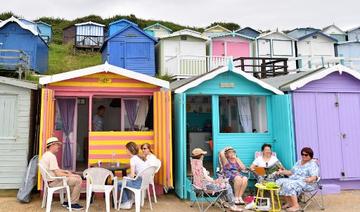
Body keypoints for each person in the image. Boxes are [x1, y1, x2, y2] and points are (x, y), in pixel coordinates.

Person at [39, 137, 83, 210]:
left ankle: (67, 202)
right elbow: (58, 174)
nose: (58, 147)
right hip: (54, 181)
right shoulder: (51, 157)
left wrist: (65, 171)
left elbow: (55, 170)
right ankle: (72, 203)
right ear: (52, 145)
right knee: (78, 180)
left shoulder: (46, 155)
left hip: (51, 180)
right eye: (57, 145)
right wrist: (70, 175)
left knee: (75, 178)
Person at [275, 147, 319, 212]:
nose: (303, 156)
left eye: (306, 155)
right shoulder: (298, 162)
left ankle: (296, 206)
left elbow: (315, 176)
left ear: (310, 155)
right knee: (279, 181)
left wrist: (310, 179)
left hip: (307, 182)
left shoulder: (312, 164)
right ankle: (289, 203)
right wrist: (282, 172)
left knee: (289, 184)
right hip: (294, 179)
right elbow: (290, 172)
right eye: (302, 154)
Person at [118, 142, 147, 209]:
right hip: (143, 182)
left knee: (118, 183)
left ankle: (126, 202)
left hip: (138, 183)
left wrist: (126, 178)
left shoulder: (133, 159)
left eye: (126, 149)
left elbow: (132, 175)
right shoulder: (138, 158)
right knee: (124, 182)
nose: (125, 151)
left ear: (129, 150)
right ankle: (129, 200)